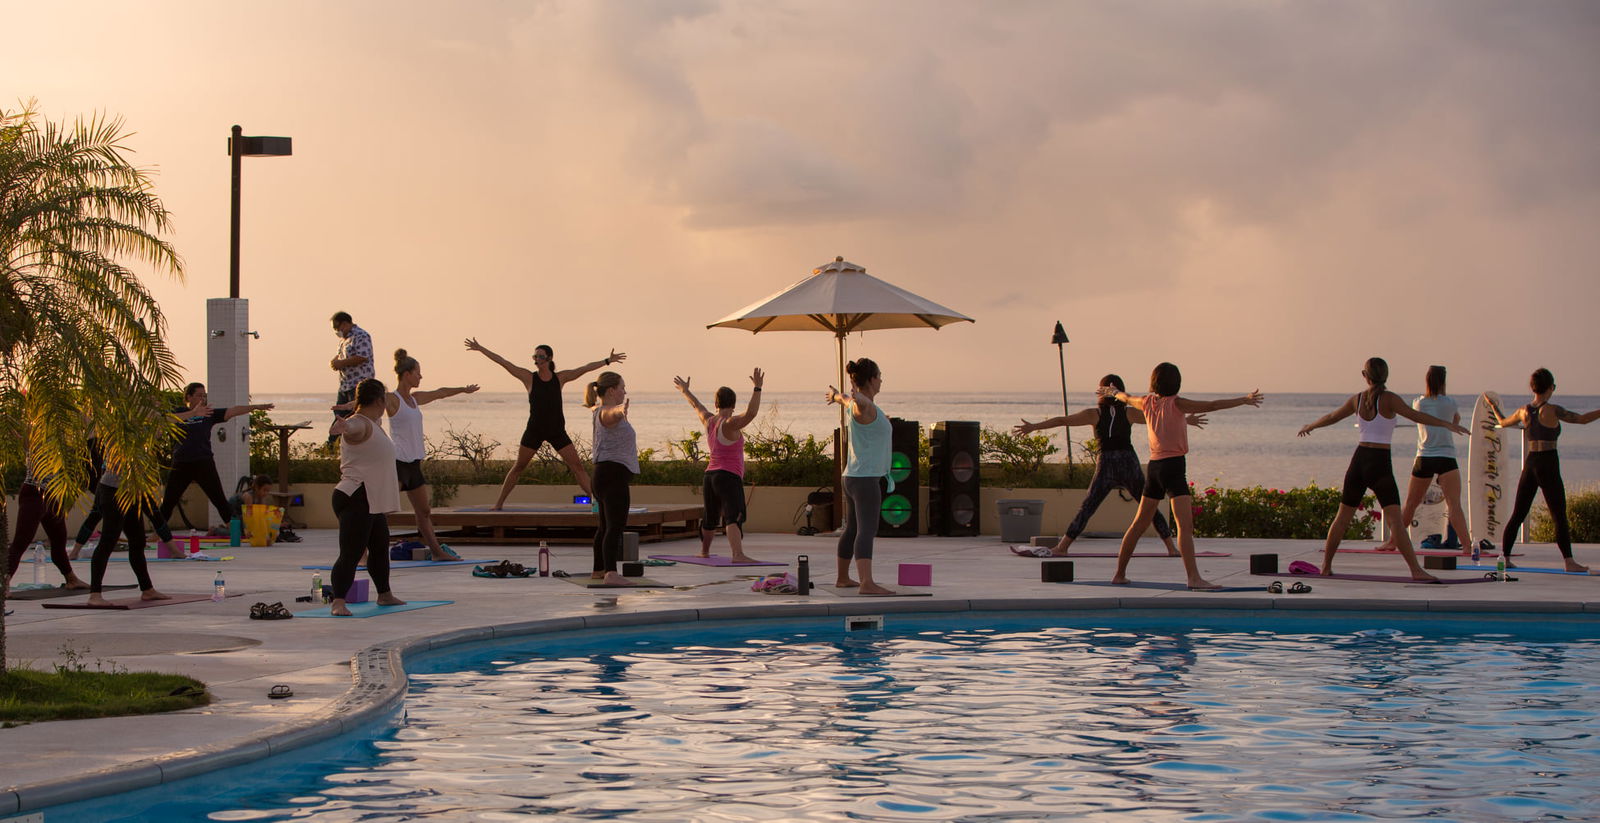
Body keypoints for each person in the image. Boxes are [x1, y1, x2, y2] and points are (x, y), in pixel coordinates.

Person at [1298, 357, 1467, 581]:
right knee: (1395, 521)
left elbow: (1332, 416)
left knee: (1342, 518)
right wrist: (1447, 424)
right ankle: (1416, 571)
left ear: (1364, 376)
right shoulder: (1390, 399)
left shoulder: (1357, 399)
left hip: (1359, 461)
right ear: (1386, 376)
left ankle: (1326, 566)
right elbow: (1417, 416)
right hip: (1379, 463)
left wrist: (1311, 426)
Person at [1101, 362, 1263, 590]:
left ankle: (1119, 574)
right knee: (1184, 527)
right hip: (1173, 468)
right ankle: (1194, 578)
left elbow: (1126, 398)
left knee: (1139, 524)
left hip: (1155, 467)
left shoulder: (1147, 402)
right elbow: (1213, 405)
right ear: (1176, 383)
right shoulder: (1177, 403)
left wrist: (1112, 392)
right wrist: (1243, 399)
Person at [1014, 373, 1208, 557]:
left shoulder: (1094, 414)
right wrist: (1187, 420)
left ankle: (1063, 546)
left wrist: (1034, 426)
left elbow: (1062, 421)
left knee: (1088, 506)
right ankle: (1171, 548)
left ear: (1101, 392)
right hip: (1128, 461)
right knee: (1148, 506)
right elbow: (1160, 418)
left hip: (1107, 462)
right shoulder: (1129, 412)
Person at [464, 338, 624, 508]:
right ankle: (498, 504)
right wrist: (481, 348)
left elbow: (583, 369)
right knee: (519, 467)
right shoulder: (528, 378)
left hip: (556, 430)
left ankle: (596, 503)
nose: (536, 359)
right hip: (535, 430)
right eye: (535, 356)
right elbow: (504, 362)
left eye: (540, 356)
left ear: (549, 359)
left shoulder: (560, 378)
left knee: (577, 466)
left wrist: (607, 361)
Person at [1486, 368, 1600, 573]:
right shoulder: (1553, 410)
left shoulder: (1523, 410)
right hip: (1548, 463)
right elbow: (1582, 419)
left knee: (1518, 513)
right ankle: (1569, 562)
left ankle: (1505, 558)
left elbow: (1502, 422)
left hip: (1530, 464)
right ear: (1550, 388)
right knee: (1558, 515)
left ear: (1532, 388)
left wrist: (1494, 407)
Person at [384, 348, 479, 561]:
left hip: (414, 464)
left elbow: (441, 392)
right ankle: (364, 552)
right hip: (397, 463)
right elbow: (368, 401)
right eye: (418, 372)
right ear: (407, 374)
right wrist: (349, 407)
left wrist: (463, 390)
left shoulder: (415, 399)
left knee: (424, 511)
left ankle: (437, 552)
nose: (421, 376)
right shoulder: (392, 399)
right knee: (382, 512)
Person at [154, 383, 274, 550]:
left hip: (203, 462)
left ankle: (237, 532)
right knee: (169, 501)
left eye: (204, 396)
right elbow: (165, 421)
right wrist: (191, 413)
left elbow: (232, 411)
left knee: (219, 499)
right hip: (181, 463)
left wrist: (256, 407)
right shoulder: (178, 413)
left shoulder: (208, 414)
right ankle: (157, 533)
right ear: (188, 397)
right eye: (198, 395)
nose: (202, 399)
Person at [1373, 365, 1473, 554]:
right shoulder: (1450, 403)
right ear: (1443, 381)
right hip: (1446, 456)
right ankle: (1467, 545)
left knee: (1411, 503)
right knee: (1454, 504)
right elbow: (1455, 421)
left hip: (1425, 456)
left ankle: (1393, 541)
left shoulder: (1418, 402)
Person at [328, 378, 407, 616]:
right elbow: (353, 429)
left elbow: (365, 408)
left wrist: (352, 403)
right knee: (351, 552)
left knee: (380, 546)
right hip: (356, 496)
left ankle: (384, 594)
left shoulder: (374, 420)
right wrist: (344, 426)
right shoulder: (358, 424)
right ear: (380, 401)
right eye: (384, 400)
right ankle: (338, 602)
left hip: (370, 498)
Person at [674, 368, 766, 562]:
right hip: (728, 476)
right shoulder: (729, 423)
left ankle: (704, 552)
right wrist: (757, 388)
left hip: (710, 476)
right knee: (733, 516)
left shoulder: (709, 421)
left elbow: (696, 405)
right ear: (732, 404)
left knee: (710, 517)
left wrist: (685, 391)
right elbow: (751, 413)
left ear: (716, 403)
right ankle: (738, 555)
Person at [825, 357, 896, 595]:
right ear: (872, 379)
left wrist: (837, 395)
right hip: (865, 480)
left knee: (853, 529)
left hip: (852, 477)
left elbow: (845, 399)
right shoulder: (863, 406)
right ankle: (867, 583)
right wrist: (858, 398)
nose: (882, 380)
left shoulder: (858, 403)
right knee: (867, 530)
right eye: (880, 376)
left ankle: (843, 578)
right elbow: (858, 404)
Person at [85, 466, 170, 606]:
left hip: (132, 491)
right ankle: (95, 594)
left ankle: (147, 589)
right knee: (108, 541)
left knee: (138, 541)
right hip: (113, 490)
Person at [5, 456, 89, 592]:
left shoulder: (58, 438)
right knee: (21, 542)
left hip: (49, 494)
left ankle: (71, 579)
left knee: (59, 538)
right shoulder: (36, 437)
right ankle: (4, 585)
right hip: (33, 492)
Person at [587, 371, 636, 585]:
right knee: (615, 527)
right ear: (611, 390)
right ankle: (611, 573)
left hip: (603, 476)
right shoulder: (606, 412)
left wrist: (619, 410)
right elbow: (611, 416)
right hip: (612, 476)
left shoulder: (597, 409)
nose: (625, 391)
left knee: (605, 527)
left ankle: (599, 569)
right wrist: (620, 411)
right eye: (622, 387)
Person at [328, 311, 373, 445]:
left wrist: (341, 363)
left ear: (346, 323)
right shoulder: (344, 340)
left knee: (354, 416)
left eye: (338, 328)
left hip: (358, 384)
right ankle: (334, 444)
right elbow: (341, 357)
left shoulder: (361, 335)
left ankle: (340, 444)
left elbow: (362, 357)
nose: (337, 331)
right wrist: (335, 362)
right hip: (345, 384)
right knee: (339, 414)